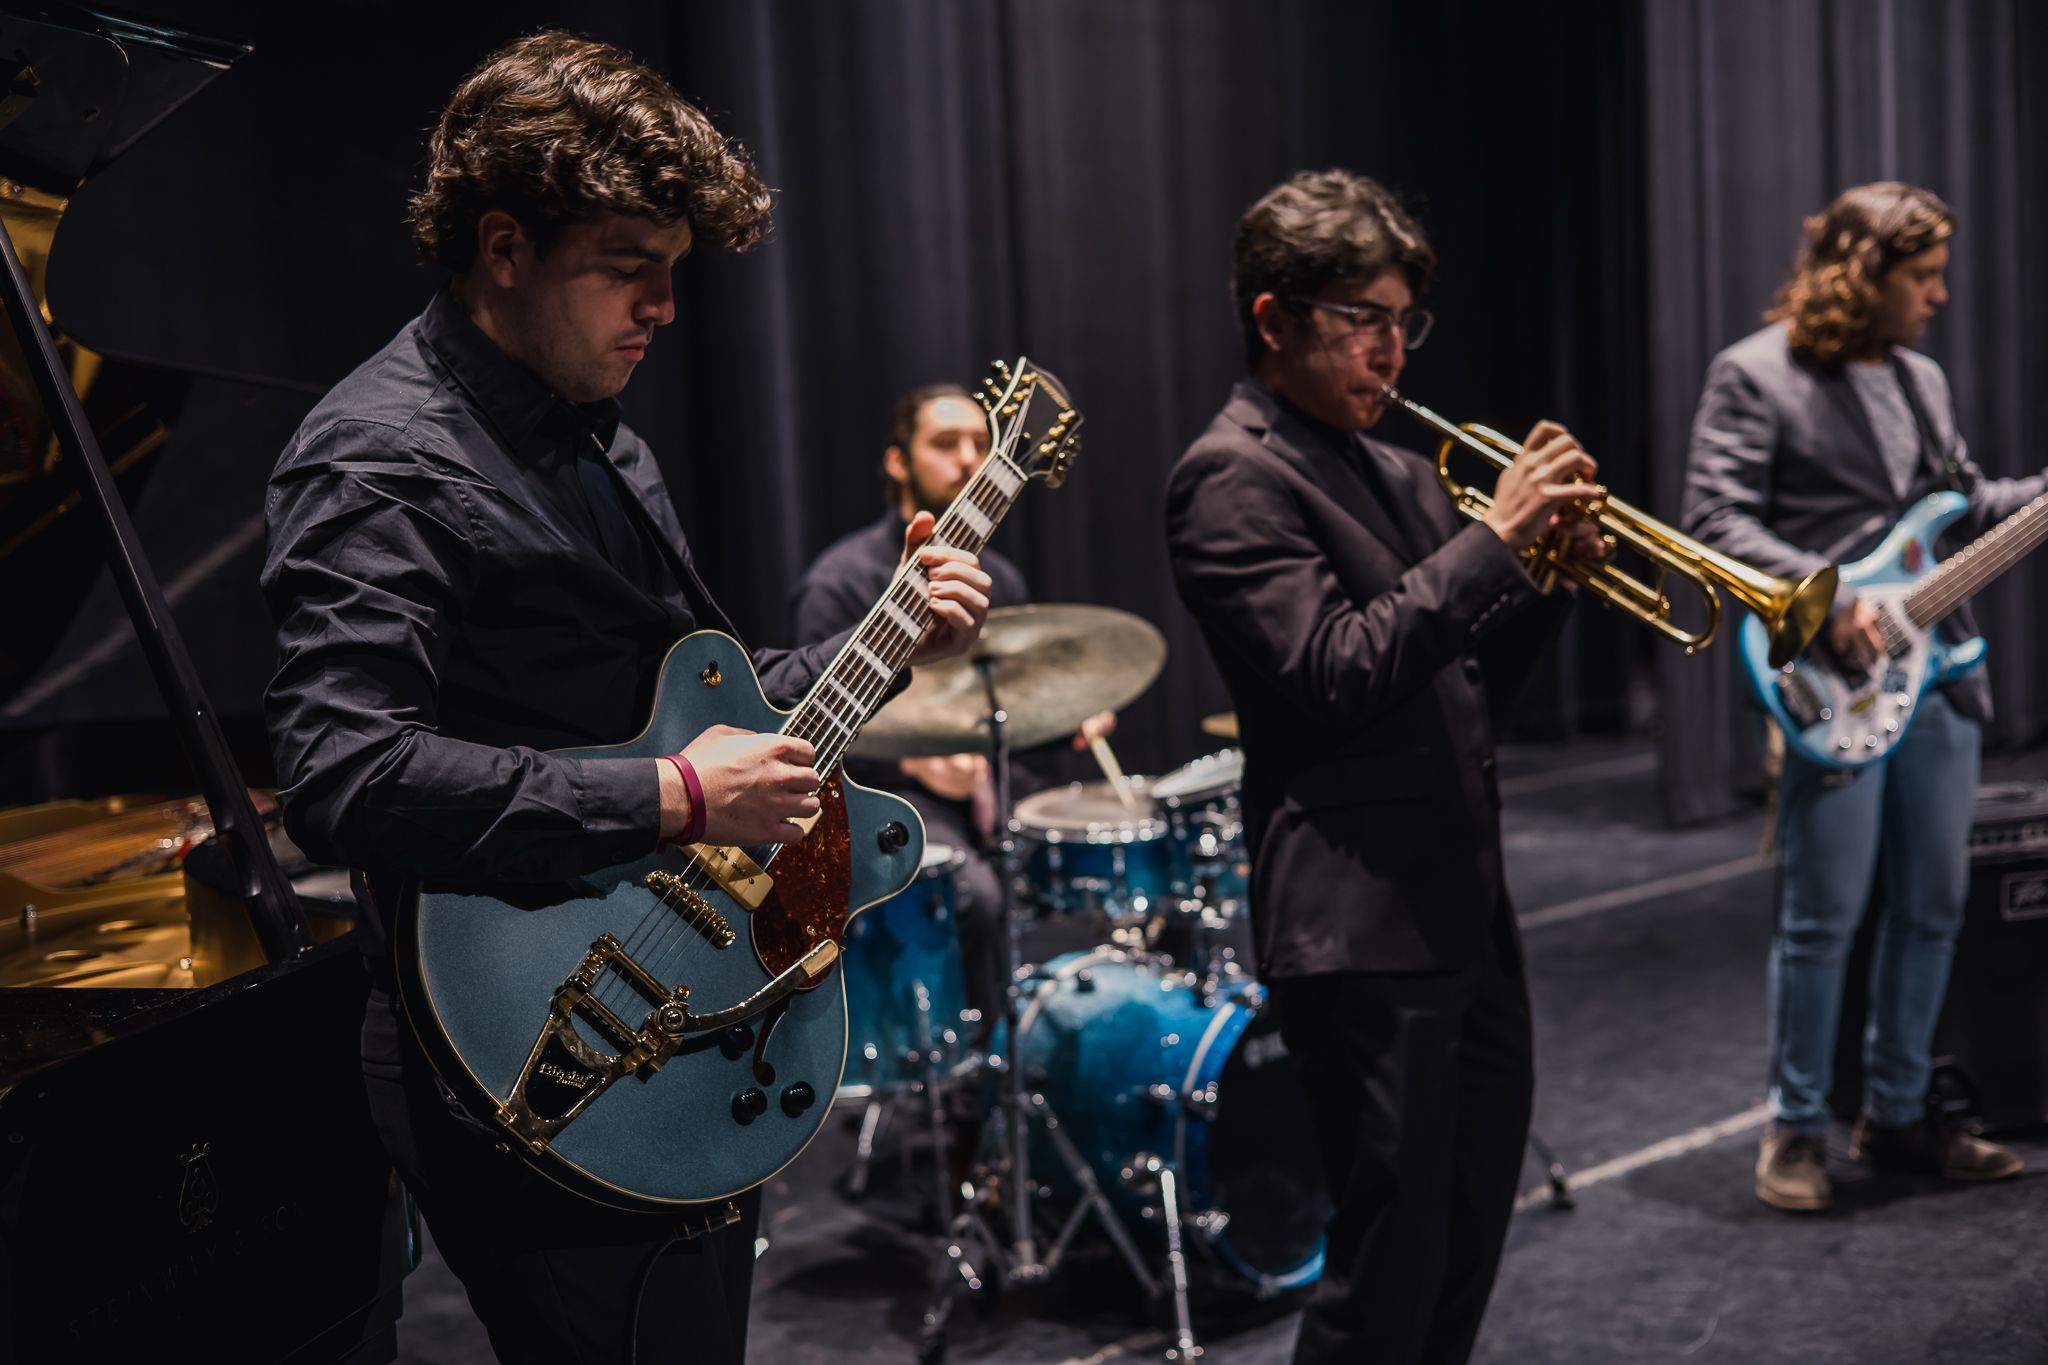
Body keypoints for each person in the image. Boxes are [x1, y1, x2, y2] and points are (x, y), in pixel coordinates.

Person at [259, 34, 991, 1364]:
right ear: (502, 244)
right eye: (627, 270)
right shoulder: (379, 458)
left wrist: (889, 649)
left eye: (673, 274)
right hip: (522, 1034)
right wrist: (678, 798)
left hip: (656, 995)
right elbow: (340, 774)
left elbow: (685, 698)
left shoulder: (603, 436)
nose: (661, 308)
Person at [1164, 168, 1604, 1365]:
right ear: (1273, 318)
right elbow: (1330, 672)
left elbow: (1465, 693)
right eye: (1361, 319)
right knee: (1383, 1269)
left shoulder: (1405, 474)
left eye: (1403, 322)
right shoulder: (1229, 477)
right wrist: (1494, 544)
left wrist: (1545, 574)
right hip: (1355, 926)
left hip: (1462, 906)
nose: (1391, 352)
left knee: (1463, 1243)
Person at [1681, 181, 2032, 1212]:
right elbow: (1711, 517)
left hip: (1932, 675)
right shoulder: (1753, 374)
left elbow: (1957, 506)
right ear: (1860, 273)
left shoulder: (1919, 378)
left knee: (1933, 909)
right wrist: (1817, 594)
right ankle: (1792, 1131)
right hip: (1825, 682)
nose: (1937, 295)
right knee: (1820, 917)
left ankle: (1898, 1114)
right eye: (1919, 277)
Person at [789, 384, 1113, 1034]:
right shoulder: (842, 580)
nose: (968, 459)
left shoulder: (999, 578)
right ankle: (977, 1076)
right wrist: (915, 764)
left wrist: (1064, 709)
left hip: (992, 796)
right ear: (897, 461)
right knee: (978, 895)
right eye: (945, 443)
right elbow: (804, 727)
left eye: (980, 443)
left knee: (1104, 857)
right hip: (891, 802)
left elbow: (1004, 706)